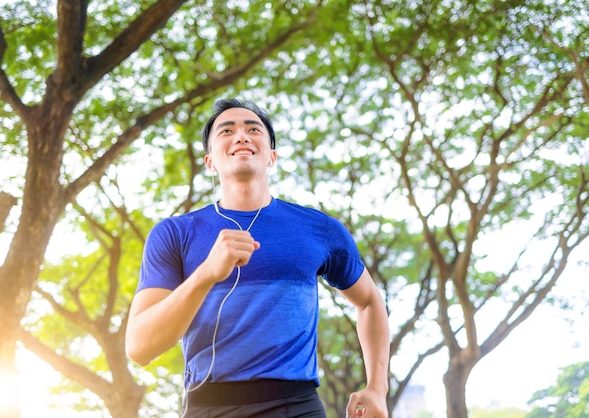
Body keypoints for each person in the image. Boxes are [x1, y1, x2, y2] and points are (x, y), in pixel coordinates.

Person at [125, 98, 390, 418]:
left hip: (297, 406)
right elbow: (139, 348)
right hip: (208, 406)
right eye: (226, 130)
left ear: (271, 157)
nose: (241, 135)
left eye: (253, 129)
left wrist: (377, 388)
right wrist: (206, 273)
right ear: (210, 162)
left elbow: (369, 302)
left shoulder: (320, 229)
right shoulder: (174, 234)